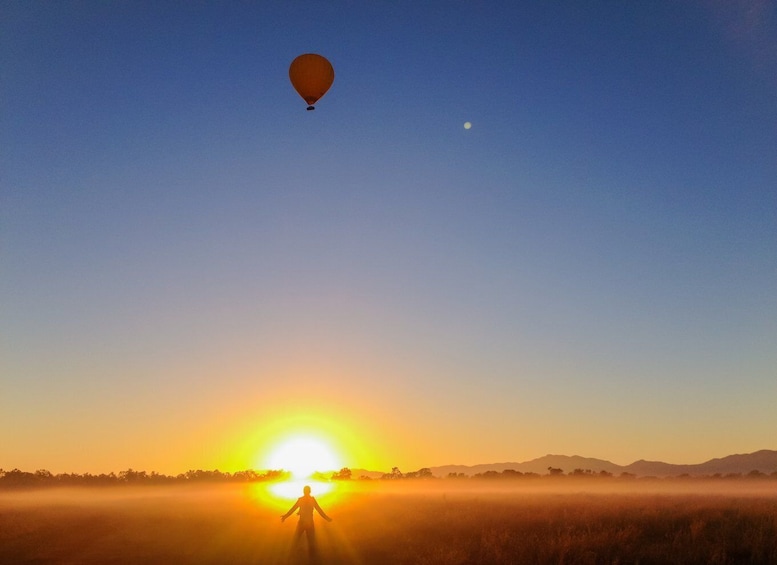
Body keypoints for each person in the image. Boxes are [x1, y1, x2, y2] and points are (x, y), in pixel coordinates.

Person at [281, 485, 332, 560]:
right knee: (311, 540)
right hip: (309, 522)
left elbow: (293, 509)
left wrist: (286, 516)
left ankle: (290, 556)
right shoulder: (312, 500)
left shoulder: (301, 499)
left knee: (296, 539)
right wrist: (327, 518)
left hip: (302, 522)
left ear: (304, 491)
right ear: (310, 491)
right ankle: (312, 558)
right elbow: (319, 510)